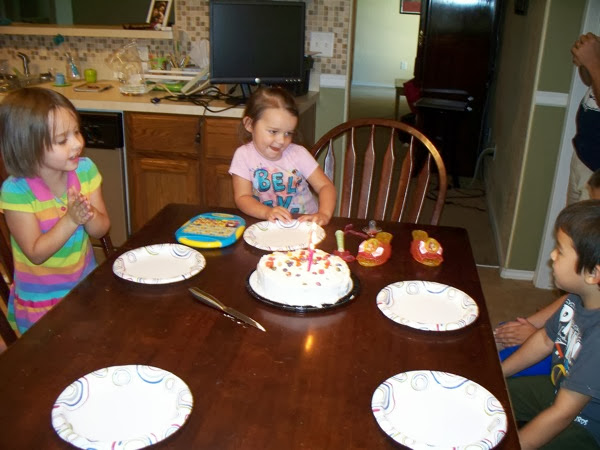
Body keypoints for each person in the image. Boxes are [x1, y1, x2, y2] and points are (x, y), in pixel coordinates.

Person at [0, 87, 110, 334]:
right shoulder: (16, 191)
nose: (77, 144)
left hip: (84, 287)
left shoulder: (85, 171)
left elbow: (101, 229)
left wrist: (87, 214)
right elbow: (36, 253)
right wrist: (71, 219)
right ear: (27, 146)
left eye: (76, 132)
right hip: (42, 303)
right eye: (62, 140)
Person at [502, 200, 600, 449]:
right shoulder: (576, 298)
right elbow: (545, 339)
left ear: (593, 274)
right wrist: (500, 372)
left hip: (587, 425)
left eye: (560, 250)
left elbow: (562, 414)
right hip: (561, 390)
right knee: (494, 394)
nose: (552, 255)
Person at [495, 176, 600, 375]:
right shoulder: (581, 294)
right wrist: (530, 325)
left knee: (507, 357)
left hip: (571, 368)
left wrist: (541, 336)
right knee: (504, 333)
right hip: (561, 343)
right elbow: (569, 302)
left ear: (594, 273)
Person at [229, 86, 336, 226]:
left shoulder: (299, 154)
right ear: (249, 124)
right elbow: (243, 197)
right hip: (268, 225)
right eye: (273, 131)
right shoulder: (243, 156)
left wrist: (324, 214)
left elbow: (325, 186)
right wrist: (267, 212)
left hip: (305, 225)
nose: (281, 141)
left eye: (288, 133)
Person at [568, 32, 600, 204]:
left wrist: (593, 62)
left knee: (583, 221)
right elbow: (589, 81)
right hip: (583, 155)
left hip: (597, 173)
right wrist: (585, 63)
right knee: (570, 217)